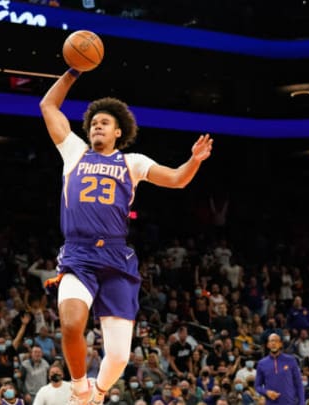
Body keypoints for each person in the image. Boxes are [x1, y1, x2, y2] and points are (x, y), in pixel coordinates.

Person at [39, 65, 213, 405]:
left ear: (119, 132)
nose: (97, 126)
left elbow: (177, 179)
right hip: (78, 255)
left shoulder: (131, 162)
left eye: (105, 122)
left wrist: (193, 161)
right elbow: (48, 106)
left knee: (118, 356)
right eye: (93, 123)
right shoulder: (74, 151)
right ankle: (79, 390)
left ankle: (99, 393)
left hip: (116, 257)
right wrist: (73, 71)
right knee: (72, 324)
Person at [254, 333, 305, 405]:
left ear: (280, 344)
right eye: (271, 341)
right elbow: (257, 386)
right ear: (268, 345)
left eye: (276, 341)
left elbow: (299, 384)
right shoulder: (261, 363)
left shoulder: (291, 360)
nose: (274, 343)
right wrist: (267, 392)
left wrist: (302, 403)